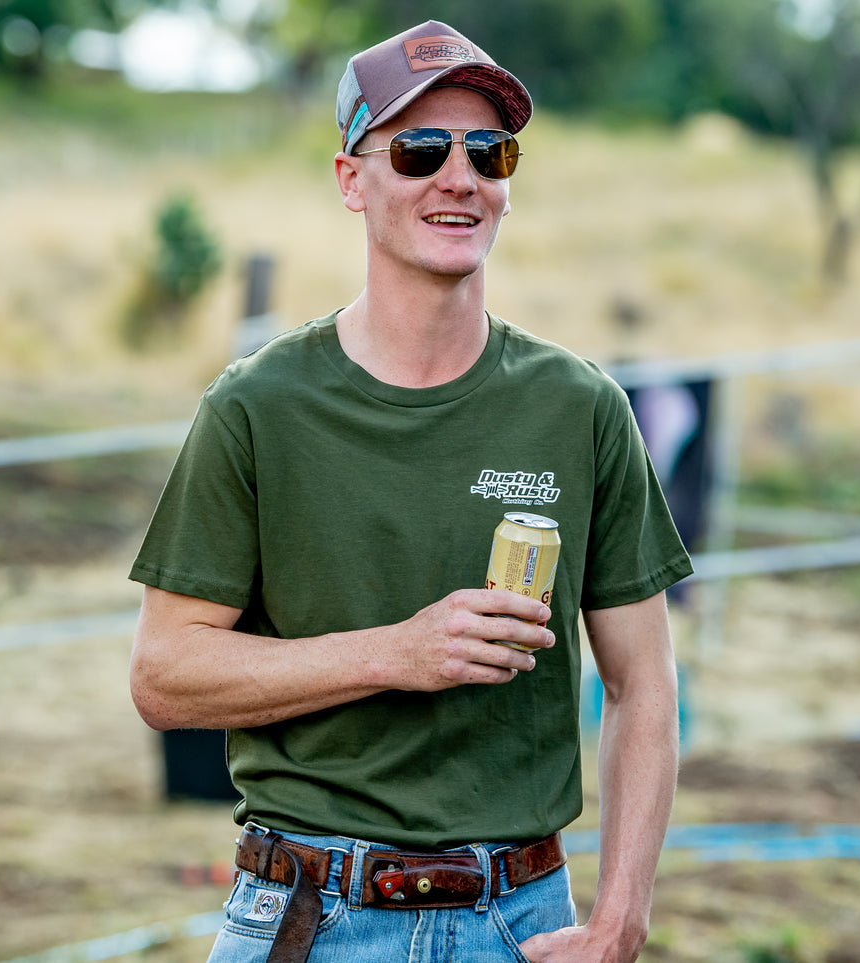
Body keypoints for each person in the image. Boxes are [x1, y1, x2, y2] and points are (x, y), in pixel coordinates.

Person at [128, 19, 692, 963]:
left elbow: (643, 683)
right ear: (352, 179)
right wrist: (397, 652)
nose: (460, 177)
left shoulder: (580, 407)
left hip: (523, 920)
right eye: (420, 149)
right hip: (310, 918)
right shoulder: (257, 408)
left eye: (490, 150)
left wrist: (621, 917)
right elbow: (165, 675)